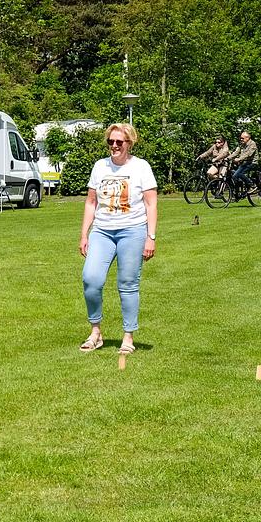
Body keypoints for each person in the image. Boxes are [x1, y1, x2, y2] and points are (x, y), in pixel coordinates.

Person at [78, 122, 158, 355]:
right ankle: (96, 332)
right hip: (102, 231)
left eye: (119, 142)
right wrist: (84, 233)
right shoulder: (99, 167)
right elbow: (91, 202)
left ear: (129, 143)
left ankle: (128, 337)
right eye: (110, 141)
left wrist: (150, 237)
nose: (114, 146)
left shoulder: (141, 167)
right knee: (91, 279)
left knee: (128, 284)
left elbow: (151, 203)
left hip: (133, 230)